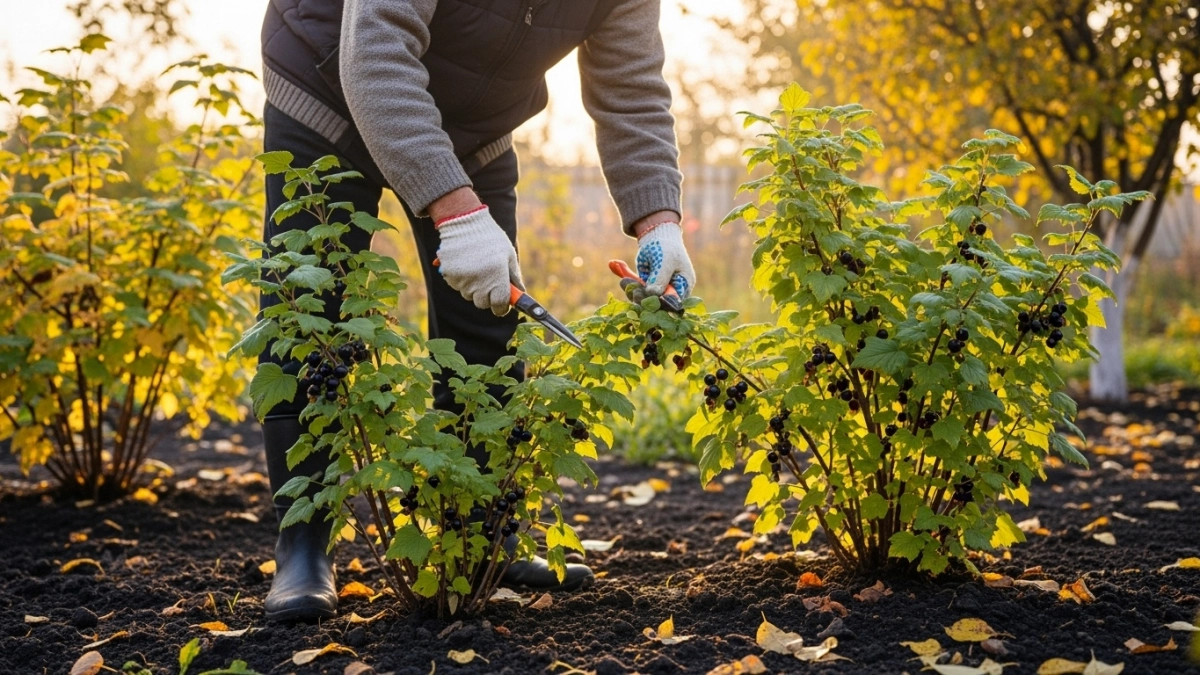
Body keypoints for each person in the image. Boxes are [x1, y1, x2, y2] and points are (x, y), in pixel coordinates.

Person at [257, 0, 697, 622]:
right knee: (309, 311)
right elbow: (376, 51)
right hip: (330, 76)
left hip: (471, 121)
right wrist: (454, 209)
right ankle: (303, 543)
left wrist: (659, 221)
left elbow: (631, 88)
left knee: (487, 322)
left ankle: (482, 539)